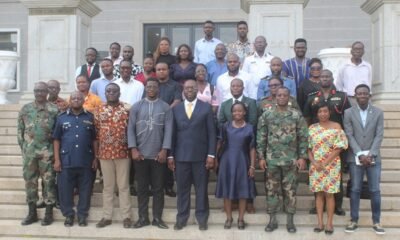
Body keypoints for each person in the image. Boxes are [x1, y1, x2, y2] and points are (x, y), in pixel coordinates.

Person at [257, 87, 308, 233]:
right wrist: (261, 157)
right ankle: (272, 219)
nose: (281, 97)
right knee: (271, 190)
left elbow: (303, 137)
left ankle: (290, 220)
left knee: (290, 190)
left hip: (291, 160)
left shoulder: (296, 115)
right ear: (275, 97)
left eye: (284, 95)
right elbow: (261, 137)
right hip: (271, 160)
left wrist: (302, 157)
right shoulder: (267, 115)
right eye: (279, 95)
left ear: (289, 97)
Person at [168, 79, 216, 231]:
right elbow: (172, 134)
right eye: (187, 87)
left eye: (192, 87)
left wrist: (211, 155)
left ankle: (202, 218)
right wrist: (170, 155)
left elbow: (211, 133)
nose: (189, 90)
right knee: (183, 189)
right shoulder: (176, 109)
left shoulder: (206, 108)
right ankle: (181, 218)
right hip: (181, 157)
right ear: (183, 91)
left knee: (201, 190)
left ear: (197, 90)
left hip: (201, 157)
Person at [303, 69, 351, 216]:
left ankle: (337, 206)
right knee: (317, 175)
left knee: (336, 175)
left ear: (331, 78)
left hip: (335, 141)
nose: (324, 79)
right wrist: (308, 137)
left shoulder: (341, 96)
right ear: (319, 79)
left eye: (327, 76)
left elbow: (347, 117)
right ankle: (318, 206)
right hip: (317, 142)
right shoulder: (312, 97)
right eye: (322, 77)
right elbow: (307, 118)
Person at [128, 78, 173, 229]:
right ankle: (143, 218)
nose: (151, 88)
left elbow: (169, 130)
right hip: (140, 155)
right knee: (141, 189)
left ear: (158, 89)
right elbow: (130, 129)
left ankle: (157, 218)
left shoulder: (165, 107)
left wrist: (164, 149)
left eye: (154, 86)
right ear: (145, 88)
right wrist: (133, 148)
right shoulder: (136, 107)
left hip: (158, 156)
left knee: (158, 188)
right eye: (149, 86)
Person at [344, 84, 385, 235]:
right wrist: (359, 154)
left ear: (369, 96)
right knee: (355, 189)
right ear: (355, 96)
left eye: (364, 93)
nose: (362, 96)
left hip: (373, 158)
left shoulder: (378, 112)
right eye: (359, 93)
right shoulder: (348, 112)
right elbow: (349, 134)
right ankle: (353, 220)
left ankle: (377, 221)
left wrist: (371, 154)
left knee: (374, 190)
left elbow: (379, 134)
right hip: (356, 157)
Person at [53, 91, 98, 227]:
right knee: (65, 190)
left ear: (84, 100)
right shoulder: (61, 118)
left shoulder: (90, 117)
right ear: (70, 101)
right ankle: (68, 215)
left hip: (86, 159)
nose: (76, 100)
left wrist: (96, 158)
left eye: (79, 98)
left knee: (85, 189)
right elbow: (56, 139)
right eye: (74, 98)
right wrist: (57, 159)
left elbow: (95, 139)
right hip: (66, 160)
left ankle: (82, 215)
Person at [17, 82, 58, 226]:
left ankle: (48, 213)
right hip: (30, 154)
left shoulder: (54, 109)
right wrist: (25, 148)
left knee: (48, 182)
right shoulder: (26, 109)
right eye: (36, 91)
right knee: (30, 182)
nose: (39, 93)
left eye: (42, 91)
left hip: (47, 153)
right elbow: (20, 131)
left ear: (47, 92)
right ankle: (32, 213)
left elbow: (57, 134)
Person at [94, 83, 132, 229]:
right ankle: (107, 216)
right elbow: (96, 134)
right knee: (108, 187)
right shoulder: (98, 110)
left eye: (114, 91)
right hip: (105, 154)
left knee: (123, 186)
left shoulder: (127, 109)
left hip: (123, 153)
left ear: (119, 92)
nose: (111, 93)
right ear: (105, 93)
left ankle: (126, 217)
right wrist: (97, 154)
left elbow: (131, 130)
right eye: (108, 90)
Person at [308, 102, 348, 235]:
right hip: (316, 167)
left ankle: (329, 223)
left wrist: (325, 162)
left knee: (329, 194)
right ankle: (320, 222)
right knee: (319, 194)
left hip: (331, 166)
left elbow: (340, 147)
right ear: (316, 114)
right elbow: (308, 148)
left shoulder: (336, 126)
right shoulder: (312, 128)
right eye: (320, 112)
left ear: (329, 112)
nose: (323, 114)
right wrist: (314, 162)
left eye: (325, 111)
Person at [215, 102, 256, 230]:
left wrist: (252, 166)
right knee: (227, 190)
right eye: (235, 111)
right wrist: (216, 159)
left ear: (244, 112)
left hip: (243, 161)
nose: (237, 113)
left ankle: (240, 218)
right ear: (231, 113)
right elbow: (220, 143)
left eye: (240, 111)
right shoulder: (225, 126)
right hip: (227, 161)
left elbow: (252, 148)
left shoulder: (250, 128)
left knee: (243, 191)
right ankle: (229, 218)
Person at [156, 62, 182, 197]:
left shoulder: (176, 85)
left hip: (171, 121)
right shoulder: (152, 84)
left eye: (163, 69)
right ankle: (156, 186)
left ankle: (169, 186)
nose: (161, 71)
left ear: (168, 70)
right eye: (159, 69)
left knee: (168, 153)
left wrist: (163, 111)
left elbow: (177, 101)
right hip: (154, 123)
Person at [335, 41, 372, 106]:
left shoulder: (367, 66)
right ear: (351, 51)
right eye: (355, 49)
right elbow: (339, 85)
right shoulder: (344, 66)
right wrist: (343, 98)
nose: (358, 51)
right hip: (349, 99)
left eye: (360, 49)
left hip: (364, 99)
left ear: (363, 52)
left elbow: (369, 83)